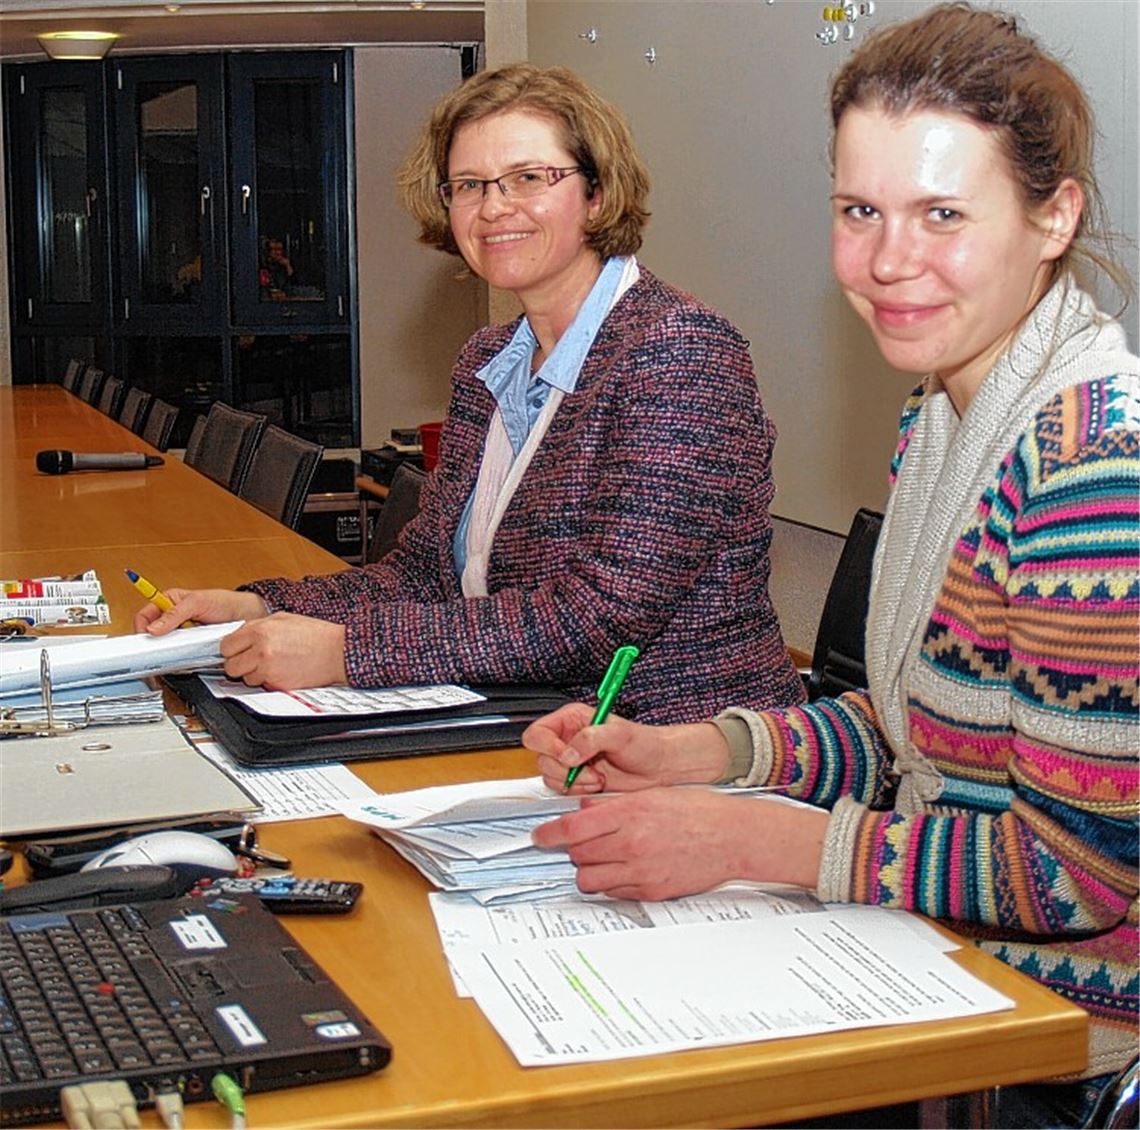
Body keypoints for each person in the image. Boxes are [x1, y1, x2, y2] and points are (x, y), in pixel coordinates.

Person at [527, 5, 1138, 1122]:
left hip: (1051, 1042)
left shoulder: (1095, 466)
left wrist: (754, 834)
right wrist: (701, 752)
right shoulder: (946, 415)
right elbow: (913, 729)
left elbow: (1074, 871)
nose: (889, 260)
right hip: (935, 970)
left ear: (1054, 217)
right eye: (861, 210)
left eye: (942, 214)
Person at [136, 63, 804, 724]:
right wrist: (264, 606)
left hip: (678, 748)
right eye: (469, 185)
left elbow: (600, 617)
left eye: (529, 178)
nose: (493, 208)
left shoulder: (679, 351)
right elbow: (427, 575)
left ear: (597, 194)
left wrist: (349, 653)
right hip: (528, 722)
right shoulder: (487, 361)